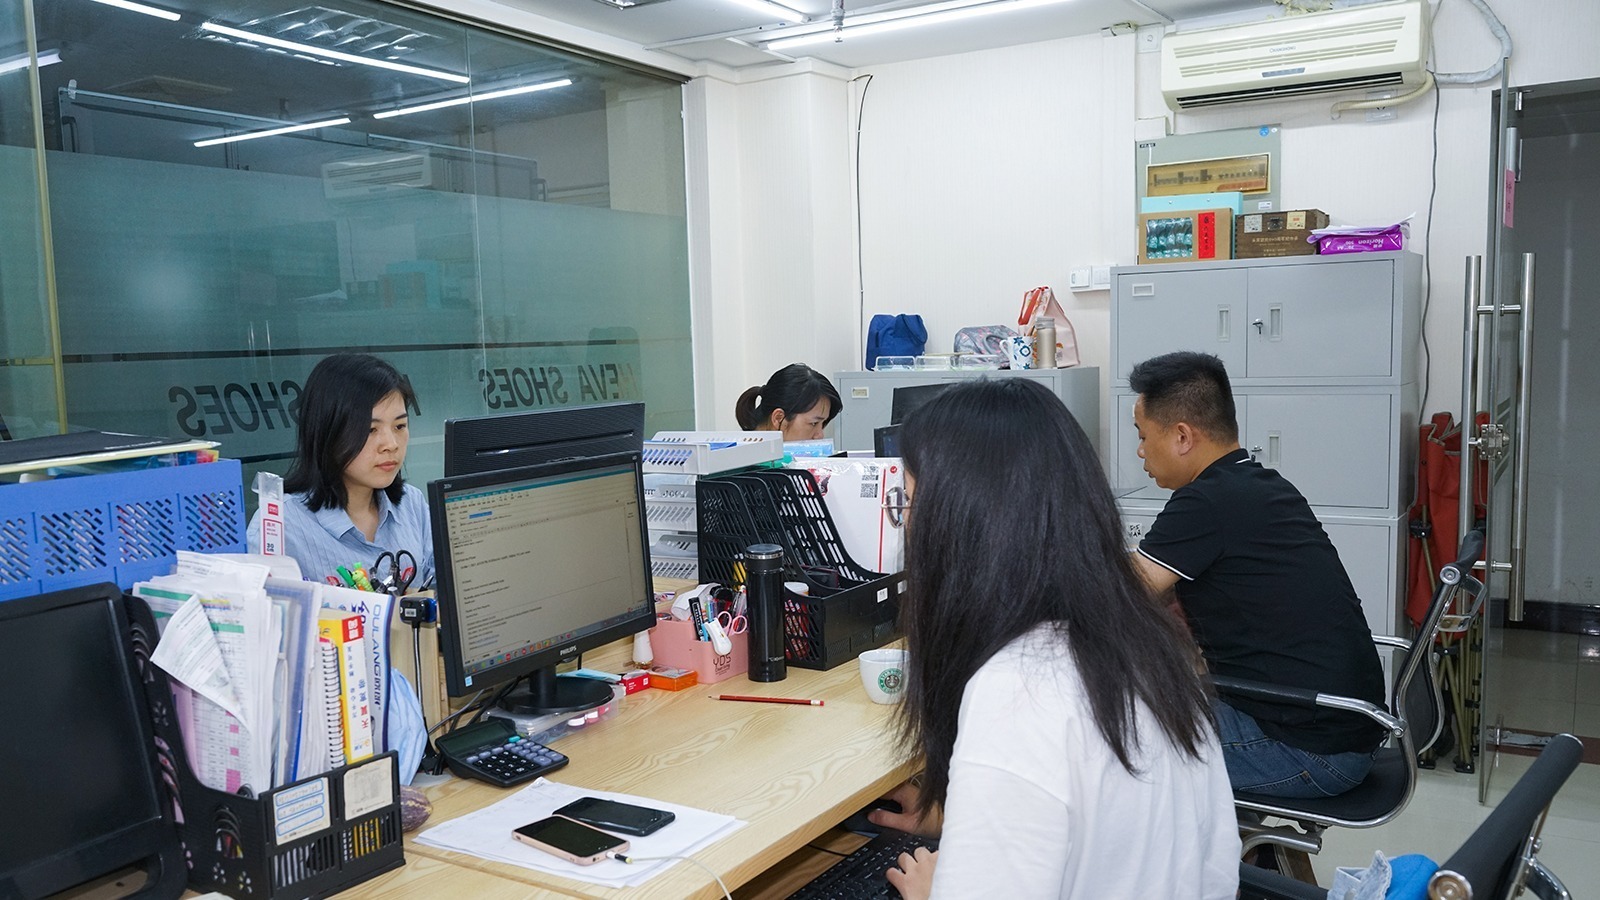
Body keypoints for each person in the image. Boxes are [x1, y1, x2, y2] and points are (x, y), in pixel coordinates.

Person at [865, 378, 1239, 899]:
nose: (906, 525)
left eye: (907, 502)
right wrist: (968, 822)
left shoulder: (1016, 690)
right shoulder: (1147, 647)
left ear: (960, 524)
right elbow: (1207, 865)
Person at [1126, 350, 1386, 799]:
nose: (1141, 451)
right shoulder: (1259, 483)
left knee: (1112, 740)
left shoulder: (1205, 501)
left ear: (1183, 436)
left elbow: (1117, 595)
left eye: (1143, 435)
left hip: (1303, 748)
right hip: (1342, 727)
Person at [248, 352, 434, 589]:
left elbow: (446, 590)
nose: (391, 444)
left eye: (399, 426)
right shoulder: (280, 527)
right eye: (370, 430)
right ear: (328, 432)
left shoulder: (411, 505)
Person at [734, 363, 841, 441]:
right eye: (813, 423)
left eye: (823, 424)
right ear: (778, 418)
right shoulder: (736, 460)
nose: (820, 435)